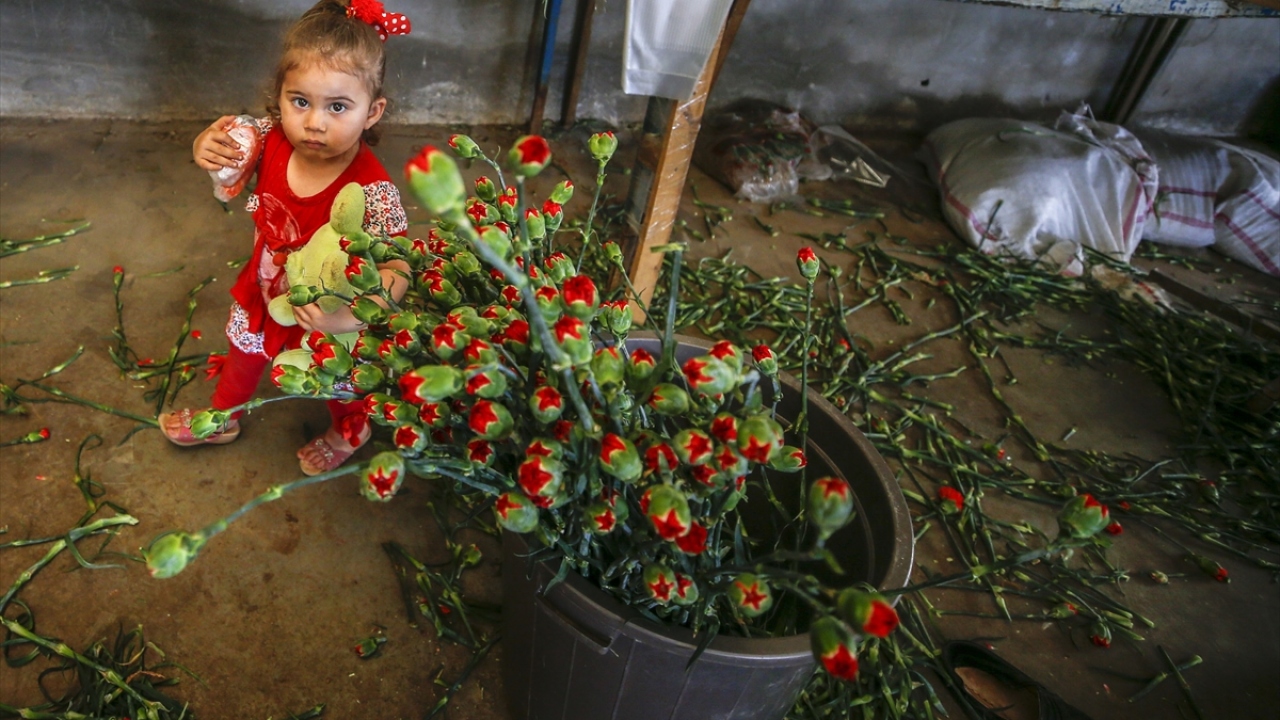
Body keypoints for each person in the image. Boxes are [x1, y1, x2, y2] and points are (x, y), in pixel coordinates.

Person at [161, 0, 413, 476]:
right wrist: (204, 148)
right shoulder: (268, 139)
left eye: (338, 107)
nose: (314, 122)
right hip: (267, 286)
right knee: (245, 349)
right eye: (300, 101)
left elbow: (396, 269)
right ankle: (225, 416)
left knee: (332, 380)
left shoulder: (371, 192)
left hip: (328, 310)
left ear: (373, 111)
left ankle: (348, 428)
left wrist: (347, 318)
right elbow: (225, 151)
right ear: (278, 96)